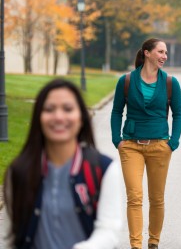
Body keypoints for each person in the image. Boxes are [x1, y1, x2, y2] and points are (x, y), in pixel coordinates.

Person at [2, 79, 122, 249]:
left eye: (68, 109)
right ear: (38, 117)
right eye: (49, 109)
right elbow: (12, 237)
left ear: (81, 118)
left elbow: (109, 231)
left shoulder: (104, 169)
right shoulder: (19, 171)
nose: (58, 117)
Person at [110, 38, 181, 249]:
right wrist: (118, 140)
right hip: (131, 146)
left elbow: (178, 114)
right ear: (147, 53)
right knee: (134, 197)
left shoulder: (170, 82)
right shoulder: (126, 81)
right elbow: (116, 111)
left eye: (166, 52)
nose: (164, 56)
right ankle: (136, 245)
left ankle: (153, 241)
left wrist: (173, 142)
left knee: (157, 198)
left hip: (160, 146)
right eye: (160, 52)